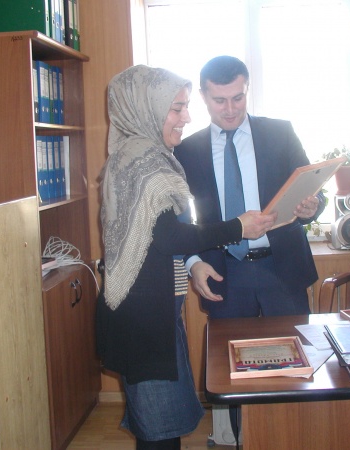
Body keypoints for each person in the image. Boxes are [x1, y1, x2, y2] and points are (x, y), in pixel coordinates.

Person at [96, 65, 276, 450]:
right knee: (159, 430)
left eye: (186, 106)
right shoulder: (142, 161)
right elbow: (170, 238)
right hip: (145, 321)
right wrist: (238, 227)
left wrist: (196, 260)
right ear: (146, 109)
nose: (187, 117)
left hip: (153, 313)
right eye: (176, 108)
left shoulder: (139, 156)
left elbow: (160, 237)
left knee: (160, 425)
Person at [174, 55, 326, 319]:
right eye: (219, 100)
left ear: (247, 89)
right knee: (227, 347)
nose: (230, 109)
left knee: (295, 345)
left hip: (282, 268)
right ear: (203, 96)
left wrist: (312, 207)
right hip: (223, 273)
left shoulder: (280, 133)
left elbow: (312, 189)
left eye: (238, 98)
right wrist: (192, 261)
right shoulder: (187, 151)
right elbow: (179, 218)